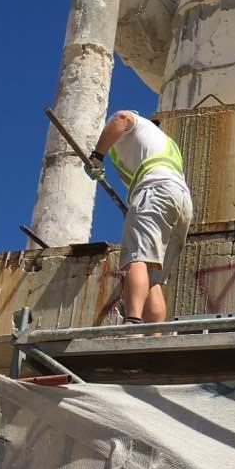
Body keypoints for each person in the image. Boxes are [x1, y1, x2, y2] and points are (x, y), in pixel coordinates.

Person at [86, 110, 193, 326]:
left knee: (136, 258)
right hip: (181, 201)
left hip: (155, 191)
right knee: (153, 279)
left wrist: (97, 156)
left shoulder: (134, 123)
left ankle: (132, 320)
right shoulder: (163, 143)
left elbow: (121, 118)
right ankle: (154, 335)